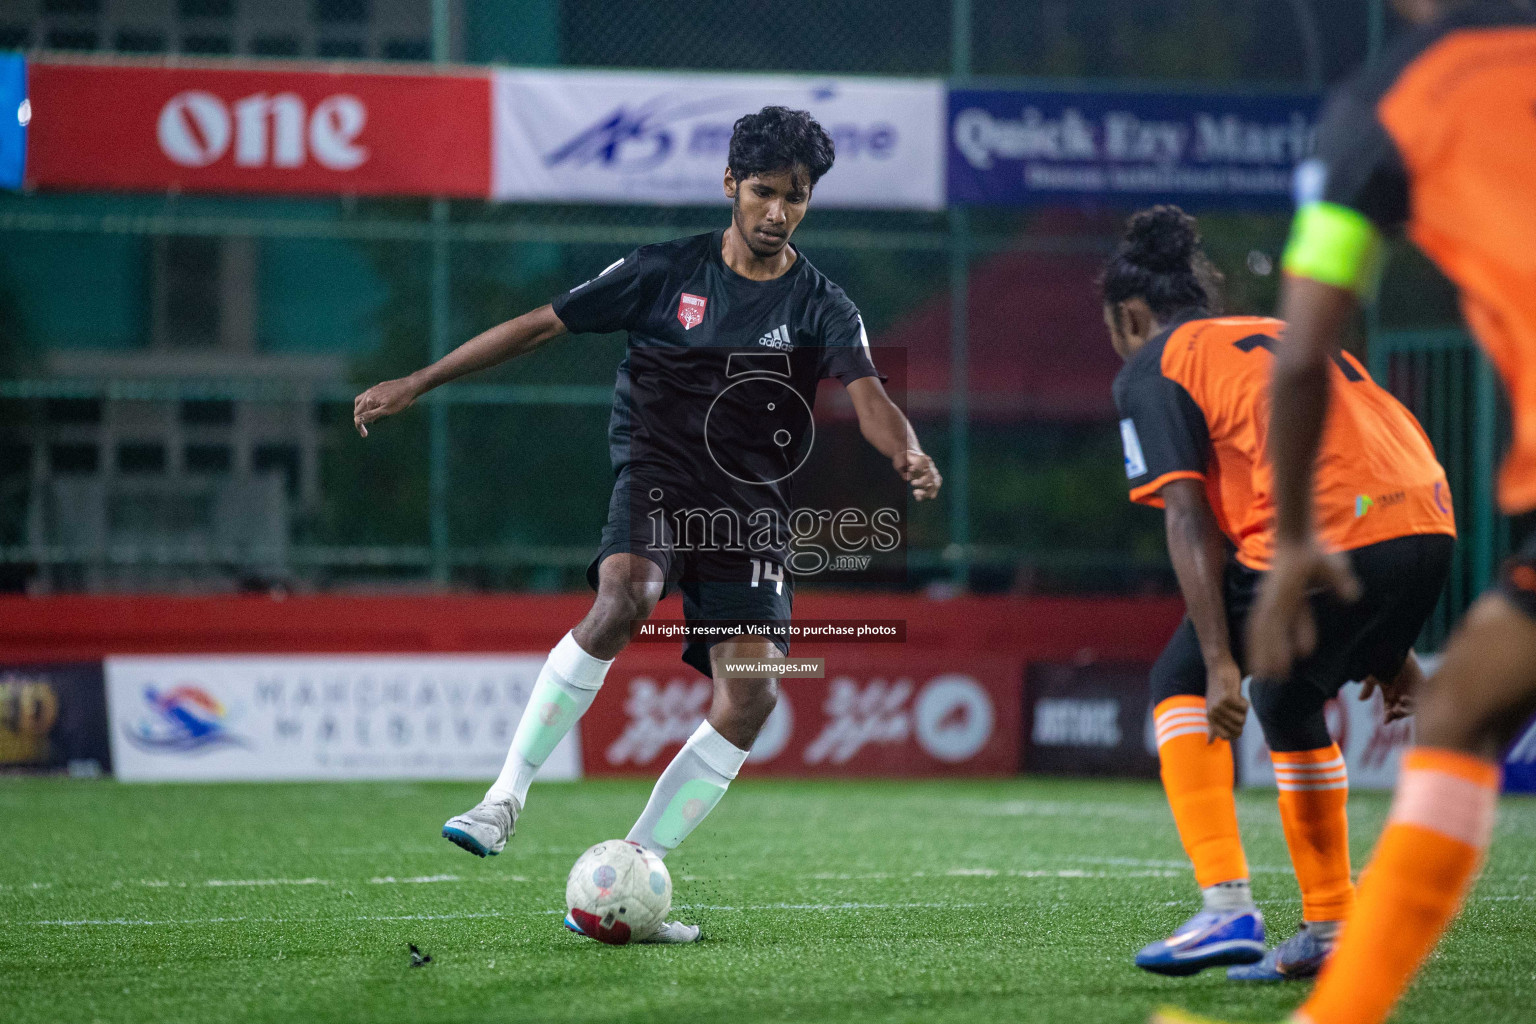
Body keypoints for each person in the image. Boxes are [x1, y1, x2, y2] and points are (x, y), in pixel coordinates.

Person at [353, 106, 941, 944]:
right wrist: (420, 379)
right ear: (731, 184)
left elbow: (869, 394)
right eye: (765, 192)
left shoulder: (823, 304)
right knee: (626, 593)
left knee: (750, 698)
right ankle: (503, 799)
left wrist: (906, 450)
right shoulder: (665, 273)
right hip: (660, 476)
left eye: (797, 198)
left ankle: (626, 874)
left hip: (748, 511)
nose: (778, 213)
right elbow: (539, 326)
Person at [1153, 3, 1536, 1023]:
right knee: (1457, 705)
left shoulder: (1380, 108)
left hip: (1404, 510)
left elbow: (1311, 346)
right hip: (1438, 508)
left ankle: (1293, 947)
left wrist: (1302, 545)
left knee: (1456, 716)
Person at [1105, 207, 1455, 981]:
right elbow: (1358, 456)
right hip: (1429, 518)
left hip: (1335, 526)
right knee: (1289, 700)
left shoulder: (1153, 363)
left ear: (1130, 315)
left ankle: (1225, 905)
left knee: (1178, 680)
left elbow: (1190, 518)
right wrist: (1389, 646)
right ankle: (1333, 928)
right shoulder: (1264, 332)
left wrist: (1217, 660)